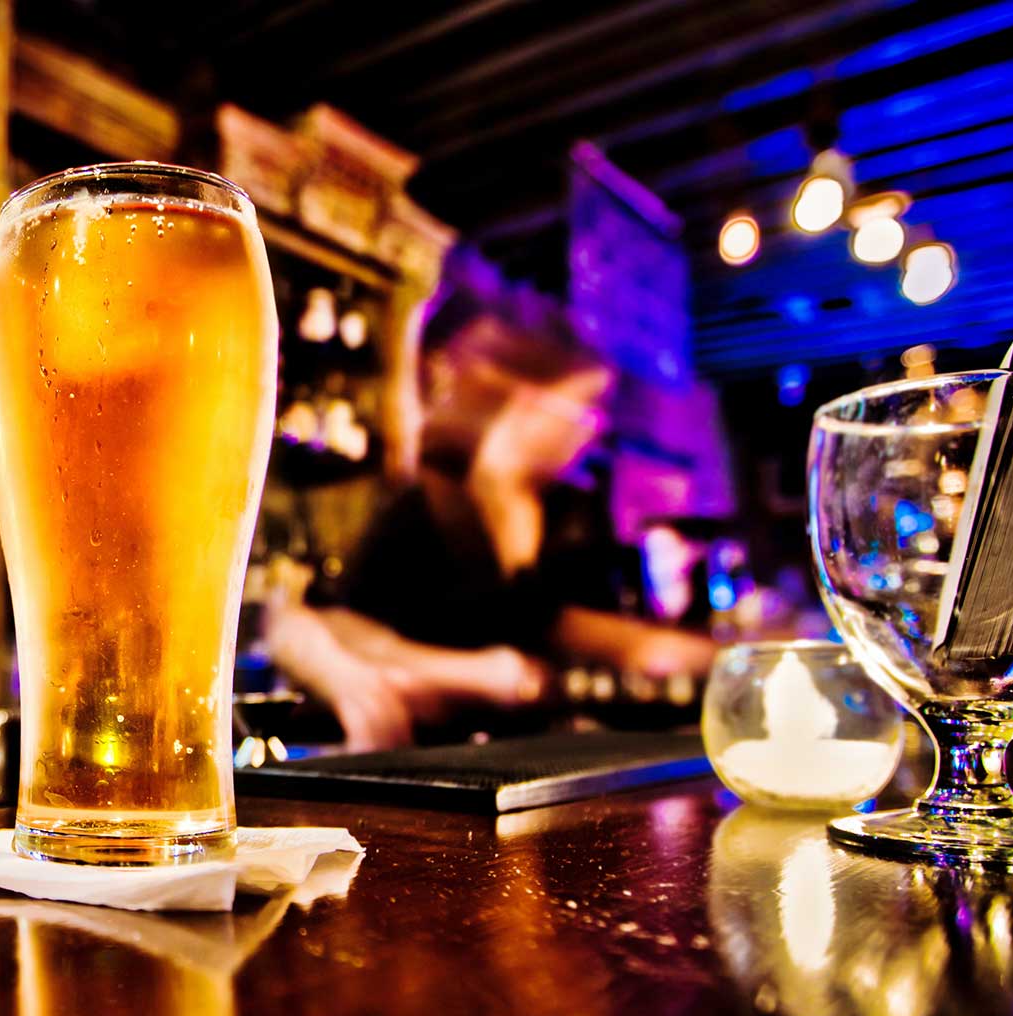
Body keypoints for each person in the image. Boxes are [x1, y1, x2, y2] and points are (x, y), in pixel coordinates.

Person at [268, 276, 717, 750]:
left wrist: (737, 657)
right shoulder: (429, 509)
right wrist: (483, 676)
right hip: (442, 769)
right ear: (525, 403)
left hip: (544, 764)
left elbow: (612, 642)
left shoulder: (564, 512)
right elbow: (322, 627)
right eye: (583, 410)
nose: (591, 432)